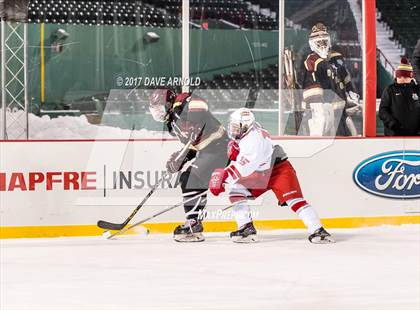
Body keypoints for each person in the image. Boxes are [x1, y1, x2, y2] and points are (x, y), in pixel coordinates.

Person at [208, 108, 334, 244]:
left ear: (245, 125)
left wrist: (225, 177)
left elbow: (245, 166)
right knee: (236, 191)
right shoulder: (249, 130)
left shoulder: (253, 140)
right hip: (260, 171)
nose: (232, 130)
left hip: (278, 170)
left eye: (235, 126)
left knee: (294, 200)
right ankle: (246, 228)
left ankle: (319, 231)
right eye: (231, 126)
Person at [148, 88, 229, 242]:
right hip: (208, 152)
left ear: (167, 103)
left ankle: (193, 224)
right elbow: (192, 146)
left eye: (158, 107)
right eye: (154, 109)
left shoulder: (180, 103)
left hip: (220, 147)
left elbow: (199, 102)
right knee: (188, 180)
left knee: (190, 180)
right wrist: (180, 159)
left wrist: (195, 121)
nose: (156, 112)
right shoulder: (172, 125)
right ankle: (194, 223)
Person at [302, 22, 361, 136]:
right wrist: (319, 107)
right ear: (312, 44)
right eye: (319, 42)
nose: (322, 44)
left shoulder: (336, 56)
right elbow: (312, 87)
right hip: (326, 111)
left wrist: (351, 92)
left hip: (341, 108)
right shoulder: (312, 61)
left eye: (324, 41)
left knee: (347, 135)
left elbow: (345, 77)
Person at [379, 58, 420, 136]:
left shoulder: (417, 90)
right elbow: (382, 111)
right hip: (394, 135)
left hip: (415, 136)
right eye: (400, 77)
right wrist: (392, 123)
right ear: (396, 76)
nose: (402, 79)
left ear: (411, 77)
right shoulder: (390, 90)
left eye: (405, 77)